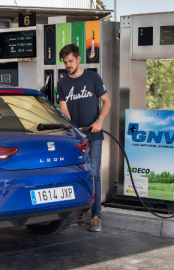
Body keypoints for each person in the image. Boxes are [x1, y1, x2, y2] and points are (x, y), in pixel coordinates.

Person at [56, 44, 111, 232]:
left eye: (70, 61)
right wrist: (72, 130)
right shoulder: (62, 83)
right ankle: (79, 212)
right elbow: (63, 108)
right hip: (75, 137)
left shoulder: (93, 78)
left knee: (94, 173)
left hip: (94, 134)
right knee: (77, 173)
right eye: (65, 62)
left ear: (79, 59)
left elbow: (107, 101)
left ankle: (96, 215)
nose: (68, 65)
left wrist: (99, 121)